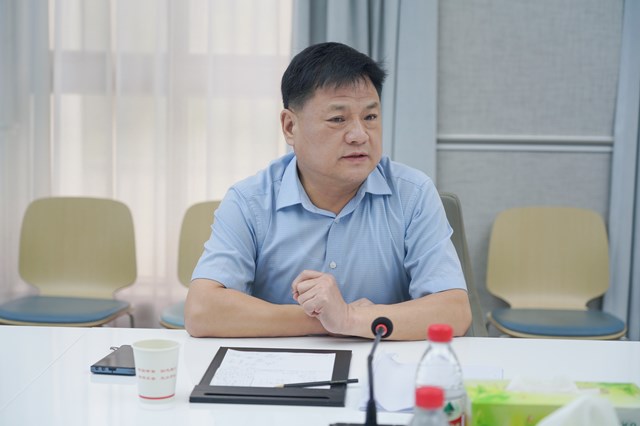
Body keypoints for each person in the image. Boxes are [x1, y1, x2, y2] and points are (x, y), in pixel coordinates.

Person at [185, 42, 471, 340]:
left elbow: (454, 312)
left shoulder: (413, 194)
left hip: (381, 363)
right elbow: (202, 311)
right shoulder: (250, 201)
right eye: (338, 119)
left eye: (370, 117)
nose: (359, 135)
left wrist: (348, 318)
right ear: (290, 126)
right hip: (280, 365)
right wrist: (327, 319)